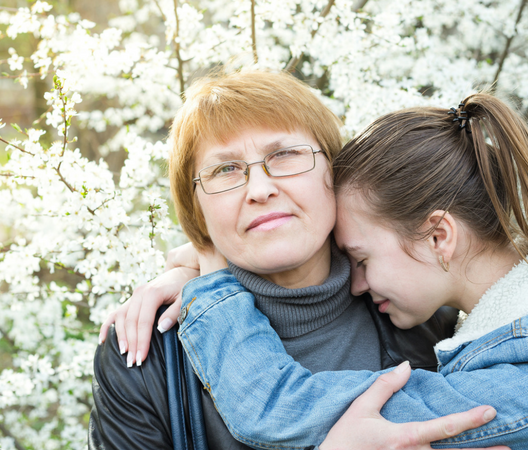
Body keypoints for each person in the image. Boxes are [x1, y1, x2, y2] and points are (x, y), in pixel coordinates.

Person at [163, 94, 528, 449]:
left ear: (439, 237)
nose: (355, 282)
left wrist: (211, 281)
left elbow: (274, 408)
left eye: (363, 259)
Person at [89, 70, 505, 450]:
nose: (260, 188)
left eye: (285, 155)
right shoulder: (145, 357)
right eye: (226, 170)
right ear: (197, 211)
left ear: (335, 173)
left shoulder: (430, 309)